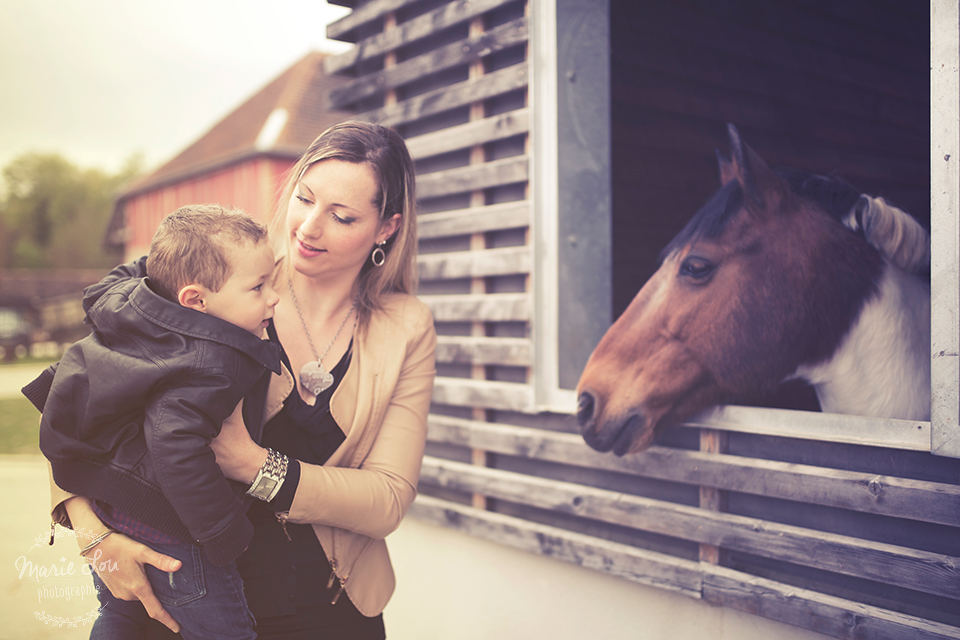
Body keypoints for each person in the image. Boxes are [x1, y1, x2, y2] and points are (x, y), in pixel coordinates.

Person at [47, 121, 437, 640]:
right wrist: (95, 540)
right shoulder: (222, 274)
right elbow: (79, 404)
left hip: (332, 607)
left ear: (386, 228)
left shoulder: (407, 326)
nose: (308, 227)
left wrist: (254, 465)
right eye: (304, 198)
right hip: (183, 598)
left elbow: (387, 498)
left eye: (341, 216)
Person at [23, 205, 282, 640]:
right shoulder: (213, 362)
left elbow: (114, 280)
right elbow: (175, 444)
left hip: (111, 505)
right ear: (195, 299)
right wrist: (226, 532)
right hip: (175, 534)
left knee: (120, 609)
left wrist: (168, 264)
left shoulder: (122, 301)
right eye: (258, 287)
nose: (273, 297)